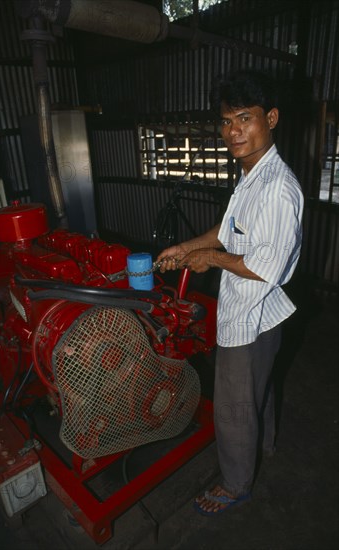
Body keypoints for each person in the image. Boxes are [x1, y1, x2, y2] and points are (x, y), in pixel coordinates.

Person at [157, 70, 304, 516]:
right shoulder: (252, 176)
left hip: (249, 316)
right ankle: (268, 444)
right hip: (266, 315)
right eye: (225, 121)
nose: (233, 131)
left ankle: (236, 483)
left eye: (245, 117)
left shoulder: (278, 187)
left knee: (234, 410)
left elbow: (264, 267)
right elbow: (229, 229)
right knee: (259, 392)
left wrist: (210, 260)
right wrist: (190, 247)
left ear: (271, 118)